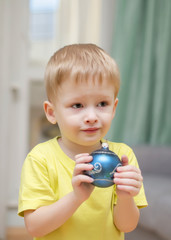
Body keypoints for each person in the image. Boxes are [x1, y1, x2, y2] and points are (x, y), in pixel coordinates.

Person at [18, 43, 148, 240]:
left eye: (102, 104)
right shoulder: (41, 159)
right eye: (77, 105)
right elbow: (35, 227)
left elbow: (127, 225)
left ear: (113, 108)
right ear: (52, 113)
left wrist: (125, 197)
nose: (91, 116)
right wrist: (76, 198)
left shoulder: (123, 156)